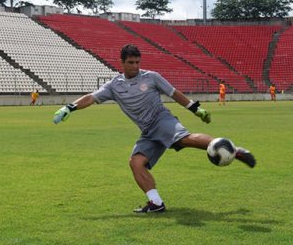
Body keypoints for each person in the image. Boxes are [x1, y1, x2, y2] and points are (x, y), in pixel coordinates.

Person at [53, 44, 256, 213]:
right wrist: (69, 107)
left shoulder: (151, 77)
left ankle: (234, 151)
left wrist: (196, 109)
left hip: (161, 119)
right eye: (130, 62)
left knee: (183, 139)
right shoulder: (114, 86)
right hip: (148, 131)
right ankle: (156, 203)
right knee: (136, 163)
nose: (135, 66)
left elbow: (174, 93)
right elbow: (91, 97)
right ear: (121, 63)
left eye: (137, 62)